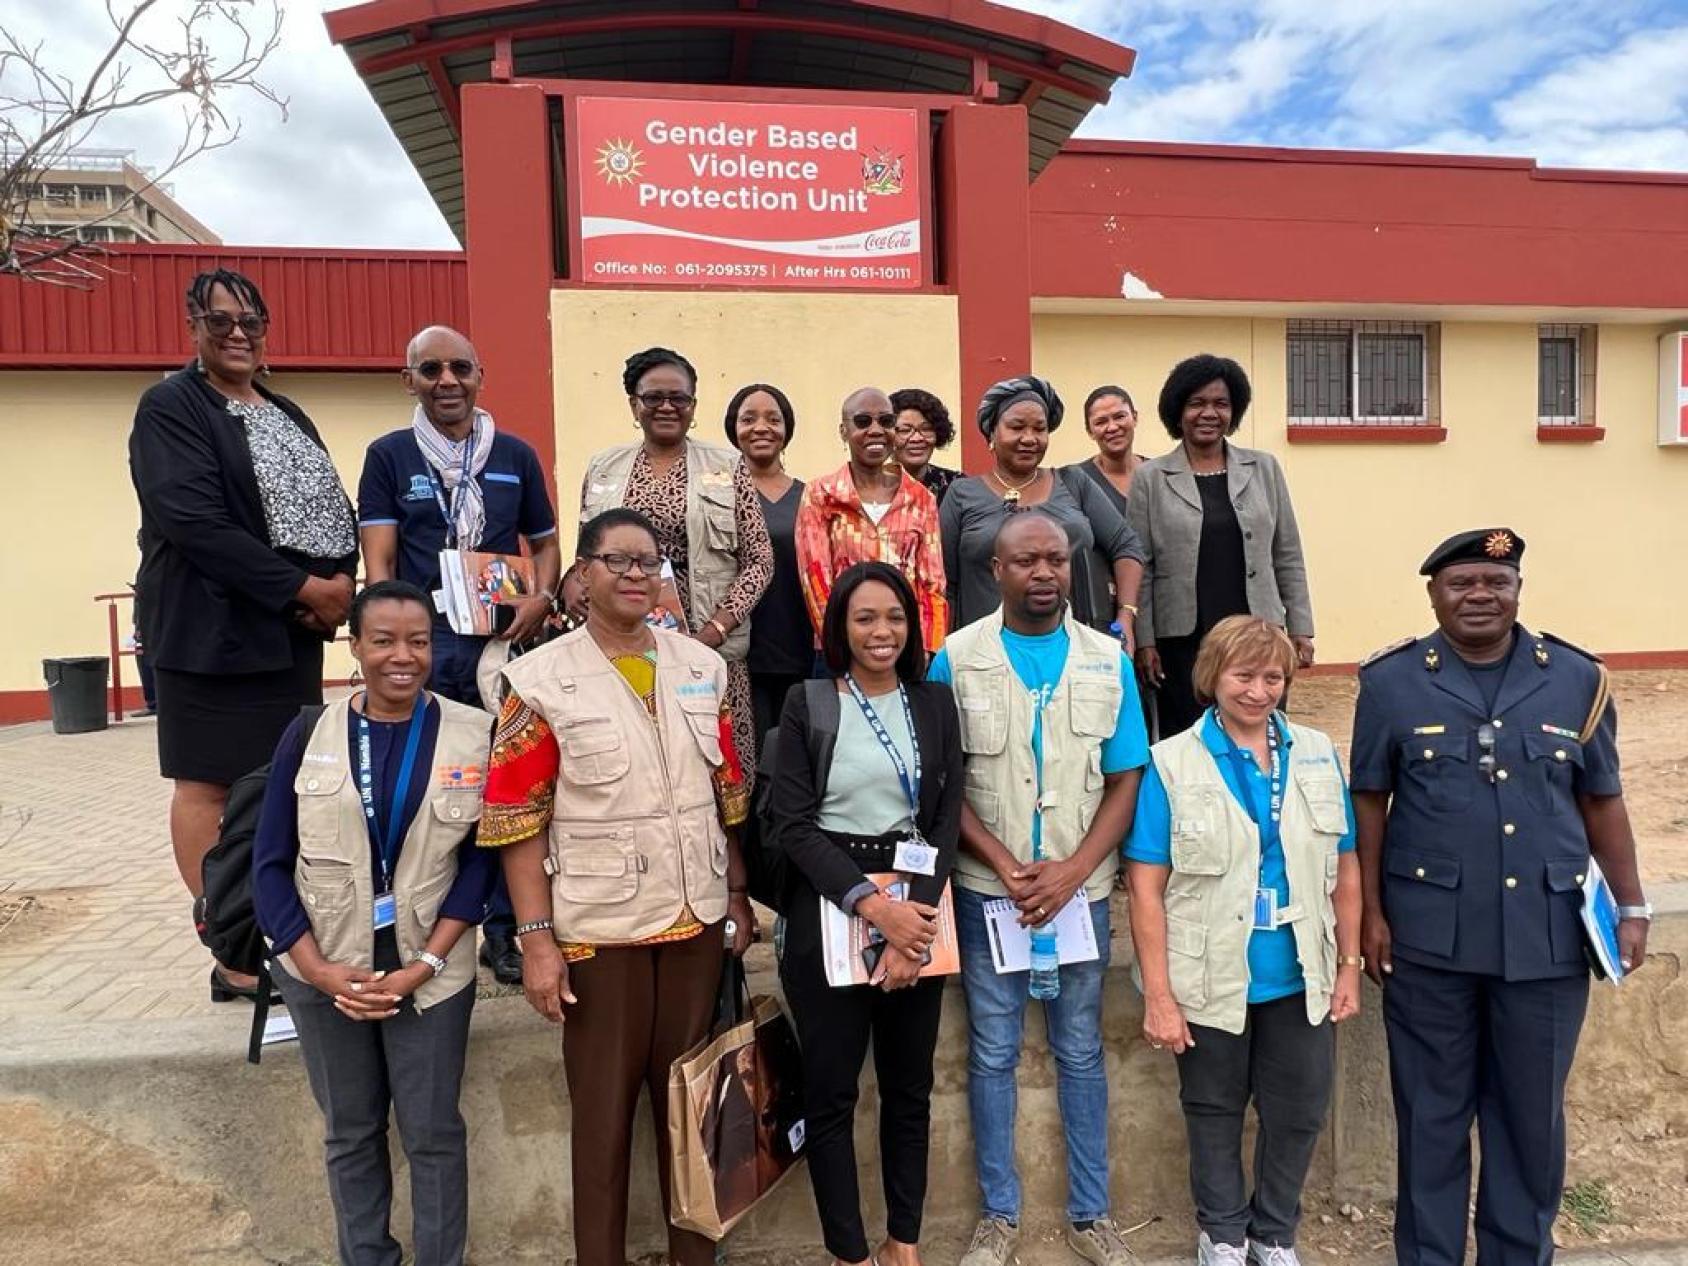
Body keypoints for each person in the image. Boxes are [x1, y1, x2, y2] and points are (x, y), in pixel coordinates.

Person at [1349, 528, 1650, 1266]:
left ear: (1518, 590)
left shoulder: (1578, 679)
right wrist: (1370, 915)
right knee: (1431, 1117)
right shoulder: (1390, 683)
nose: (1480, 596)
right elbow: (1368, 802)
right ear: (1433, 594)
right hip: (1427, 942)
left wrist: (1633, 905)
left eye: (1496, 582)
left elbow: (1602, 800)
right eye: (1462, 583)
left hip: (1546, 938)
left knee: (1528, 1122)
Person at [482, 507, 756, 1266]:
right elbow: (515, 818)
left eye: (650, 563)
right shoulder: (539, 680)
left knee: (693, 1113)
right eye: (619, 561)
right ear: (582, 574)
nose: (637, 575)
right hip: (600, 932)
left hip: (696, 921)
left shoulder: (702, 668)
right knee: (601, 1124)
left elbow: (725, 791)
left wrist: (735, 895)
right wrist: (536, 942)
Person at [128, 267, 358, 1002]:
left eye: (249, 322)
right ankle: (231, 951)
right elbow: (191, 520)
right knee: (207, 785)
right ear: (192, 327)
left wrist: (340, 584)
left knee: (273, 786)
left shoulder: (283, 409)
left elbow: (326, 505)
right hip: (206, 631)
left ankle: (274, 928)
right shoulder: (170, 407)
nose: (236, 333)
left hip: (283, 637)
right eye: (219, 320)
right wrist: (301, 588)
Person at [253, 580, 498, 1266]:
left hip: (429, 974)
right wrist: (318, 970)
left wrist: (429, 964)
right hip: (329, 972)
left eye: (418, 641)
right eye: (384, 641)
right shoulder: (308, 734)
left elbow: (482, 866)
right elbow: (270, 865)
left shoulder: (473, 733)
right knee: (352, 1131)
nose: (403, 656)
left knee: (433, 1132)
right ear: (354, 646)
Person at [928, 511, 1150, 1266]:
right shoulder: (954, 659)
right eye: (1027, 561)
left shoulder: (1104, 660)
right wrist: (1002, 860)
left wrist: (1074, 869)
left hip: (1078, 893)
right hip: (990, 890)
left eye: (1057, 559)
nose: (1045, 574)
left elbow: (1126, 779)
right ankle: (999, 1217)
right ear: (998, 570)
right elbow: (943, 785)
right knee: (992, 1052)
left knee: (1080, 1049)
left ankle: (1092, 1216)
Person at [1124, 616, 1361, 1266]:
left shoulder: (1315, 752)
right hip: (1209, 973)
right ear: (1212, 677)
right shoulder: (1170, 763)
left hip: (1299, 969)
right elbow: (1146, 888)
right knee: (1213, 1110)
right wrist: (1160, 996)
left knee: (1299, 1111)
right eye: (1243, 675)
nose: (1258, 691)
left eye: (1272, 677)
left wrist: (1348, 966)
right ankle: (1223, 1236)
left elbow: (1346, 868)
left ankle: (1275, 1234)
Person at [770, 561, 964, 1266]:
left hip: (917, 906)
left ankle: (901, 1242)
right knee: (832, 1092)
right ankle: (849, 1251)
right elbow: (793, 825)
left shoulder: (935, 705)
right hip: (832, 899)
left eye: (895, 617)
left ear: (912, 626)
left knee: (910, 1090)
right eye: (865, 618)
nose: (882, 632)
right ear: (840, 628)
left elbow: (943, 821)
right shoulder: (809, 703)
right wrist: (875, 910)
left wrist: (910, 929)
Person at [357, 323, 561, 985]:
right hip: (426, 649)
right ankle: (421, 930)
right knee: (426, 790)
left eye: (460, 369)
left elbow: (546, 543)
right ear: (408, 379)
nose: (447, 382)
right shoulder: (389, 457)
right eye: (431, 370)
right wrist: (389, 641)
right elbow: (380, 560)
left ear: (480, 376)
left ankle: (505, 932)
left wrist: (541, 596)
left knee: (505, 786)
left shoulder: (516, 455)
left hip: (500, 646)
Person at [581, 347, 773, 778]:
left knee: (718, 769)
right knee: (637, 760)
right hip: (621, 644)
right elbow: (585, 554)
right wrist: (572, 587)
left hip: (707, 645)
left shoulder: (728, 466)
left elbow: (760, 559)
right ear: (635, 405)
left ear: (693, 406)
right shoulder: (603, 468)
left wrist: (715, 630)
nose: (667, 406)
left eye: (679, 398)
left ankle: (726, 848)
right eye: (653, 397)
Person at [1128, 355, 1313, 738]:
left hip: (1258, 631)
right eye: (1197, 403)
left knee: (1261, 731)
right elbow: (1139, 566)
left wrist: (1301, 627)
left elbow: (1288, 554)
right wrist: (1144, 639)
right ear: (1177, 411)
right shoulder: (1150, 478)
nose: (1209, 413)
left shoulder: (1264, 468)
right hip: (1181, 640)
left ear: (1235, 410)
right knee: (1188, 738)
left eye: (1221, 403)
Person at [940, 376, 1143, 642]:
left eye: (1039, 429)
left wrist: (1126, 615)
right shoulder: (962, 494)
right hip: (986, 653)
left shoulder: (1074, 483)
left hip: (1073, 648)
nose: (1029, 438)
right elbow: (944, 584)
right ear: (992, 433)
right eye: (1017, 427)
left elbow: (1126, 545)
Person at [795, 387, 948, 655]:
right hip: (840, 652)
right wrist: (843, 645)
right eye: (863, 421)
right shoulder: (822, 494)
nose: (876, 430)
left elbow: (932, 585)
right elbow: (815, 579)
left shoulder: (921, 499)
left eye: (886, 422)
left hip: (904, 649)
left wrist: (927, 650)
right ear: (844, 431)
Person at [725, 381, 811, 753]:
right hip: (739, 650)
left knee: (794, 756)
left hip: (802, 650)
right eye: (749, 419)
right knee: (749, 759)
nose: (761, 427)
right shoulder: (718, 495)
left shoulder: (812, 497)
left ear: (786, 430)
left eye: (773, 419)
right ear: (734, 429)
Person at [1067, 385, 1147, 521]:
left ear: (1135, 418)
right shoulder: (1076, 481)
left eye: (1119, 416)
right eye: (1101, 422)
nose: (1112, 427)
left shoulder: (1160, 474)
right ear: (1090, 431)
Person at [890, 386, 961, 506]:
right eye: (905, 430)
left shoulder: (957, 486)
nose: (917, 438)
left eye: (926, 429)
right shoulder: (869, 487)